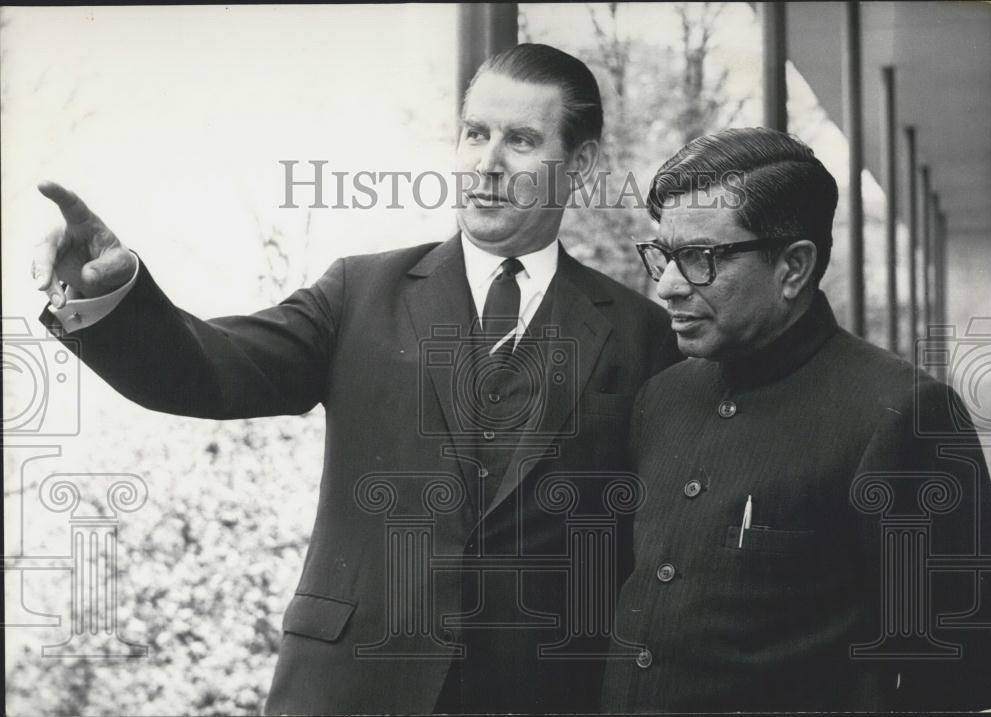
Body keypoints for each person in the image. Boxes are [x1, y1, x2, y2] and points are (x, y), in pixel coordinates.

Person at [33, 44, 681, 715]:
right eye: (475, 134)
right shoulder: (360, 292)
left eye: (520, 140)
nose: (487, 164)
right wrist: (112, 297)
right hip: (349, 690)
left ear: (578, 165)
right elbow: (209, 367)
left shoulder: (641, 335)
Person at [600, 127, 991, 712]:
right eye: (663, 254)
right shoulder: (661, 398)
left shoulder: (906, 414)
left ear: (793, 267)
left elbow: (957, 676)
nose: (666, 285)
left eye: (700, 258)